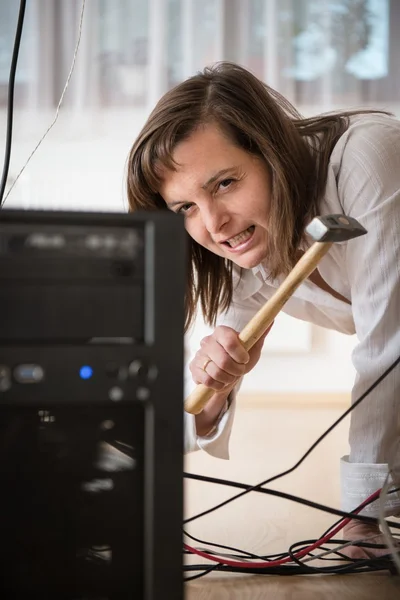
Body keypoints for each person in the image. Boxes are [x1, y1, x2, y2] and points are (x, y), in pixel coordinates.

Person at [126, 62, 400, 558]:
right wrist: (218, 384)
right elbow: (208, 391)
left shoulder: (368, 157)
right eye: (184, 207)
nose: (212, 223)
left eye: (225, 183)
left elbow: (389, 344)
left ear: (271, 152)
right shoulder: (246, 249)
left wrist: (364, 513)